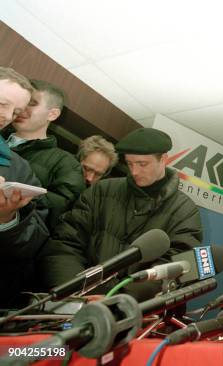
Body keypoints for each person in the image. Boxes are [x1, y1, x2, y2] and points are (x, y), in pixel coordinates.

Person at [38, 127, 203, 301]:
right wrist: (75, 292)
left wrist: (119, 299)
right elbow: (64, 245)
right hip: (76, 301)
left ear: (163, 159)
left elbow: (177, 268)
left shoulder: (185, 211)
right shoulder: (100, 191)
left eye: (142, 164)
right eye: (130, 163)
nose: (134, 172)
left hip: (133, 313)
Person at [3, 79, 85, 229]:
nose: (22, 109)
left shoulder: (66, 163)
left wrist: (12, 191)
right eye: (23, 102)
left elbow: (58, 212)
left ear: (52, 114)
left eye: (32, 104)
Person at [0, 67, 49, 307]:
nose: (7, 116)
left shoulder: (19, 169)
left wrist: (6, 219)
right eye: (2, 104)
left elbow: (34, 240)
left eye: (16, 111)